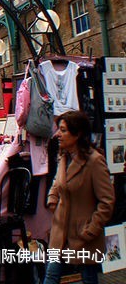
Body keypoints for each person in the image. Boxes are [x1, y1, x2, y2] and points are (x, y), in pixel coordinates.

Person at [43, 111, 115, 284]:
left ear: (77, 134)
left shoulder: (94, 161)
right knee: (50, 276)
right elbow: (57, 182)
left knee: (88, 277)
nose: (58, 135)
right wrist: (52, 199)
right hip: (61, 232)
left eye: (63, 130)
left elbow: (107, 201)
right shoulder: (63, 157)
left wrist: (91, 229)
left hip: (83, 235)